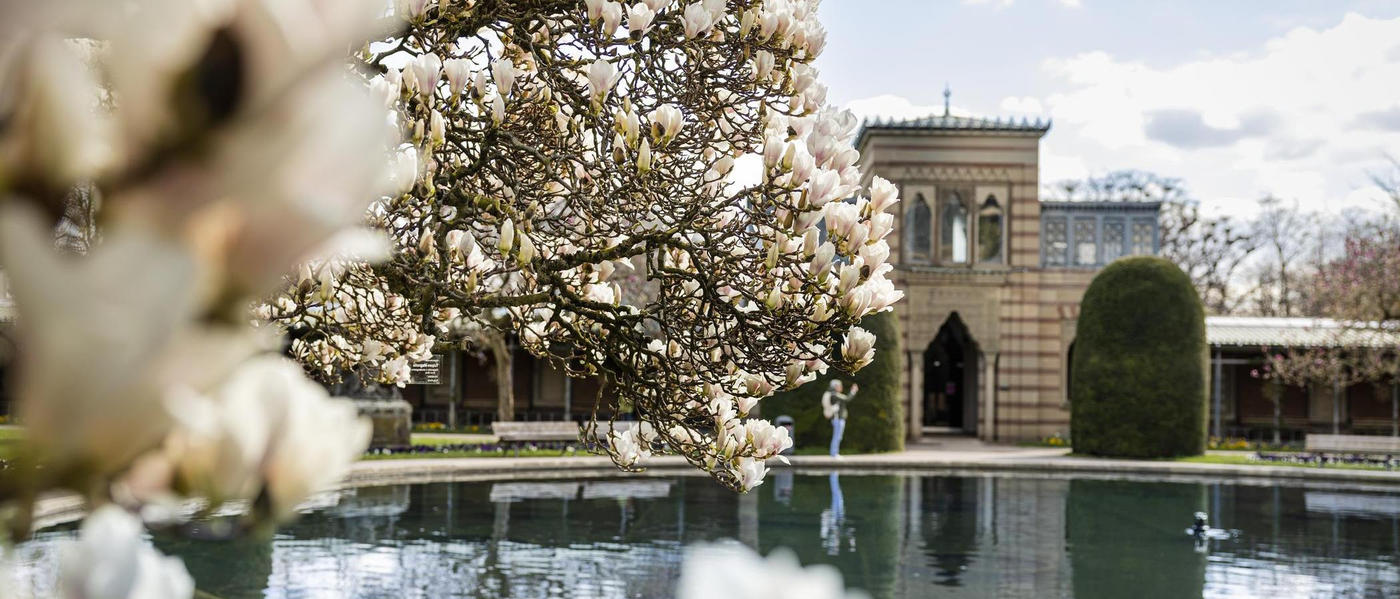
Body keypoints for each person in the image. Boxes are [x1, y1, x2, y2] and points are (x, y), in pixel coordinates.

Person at [821, 380, 858, 457]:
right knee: (837, 436)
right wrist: (853, 391)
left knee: (838, 436)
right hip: (837, 419)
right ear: (835, 386)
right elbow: (847, 399)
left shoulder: (834, 394)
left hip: (838, 419)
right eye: (839, 385)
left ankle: (834, 453)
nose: (841, 387)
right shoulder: (834, 395)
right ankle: (834, 454)